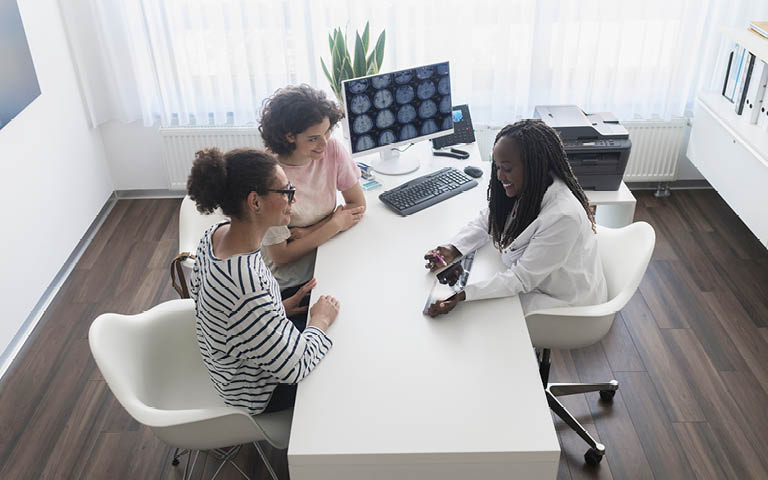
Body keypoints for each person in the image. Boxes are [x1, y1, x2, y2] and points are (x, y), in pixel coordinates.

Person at [187, 147, 339, 415]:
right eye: (286, 192)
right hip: (256, 391)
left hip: (230, 363)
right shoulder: (245, 286)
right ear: (255, 202)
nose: (294, 198)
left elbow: (218, 308)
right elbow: (296, 367)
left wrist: (275, 310)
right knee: (341, 342)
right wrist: (321, 321)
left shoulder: (216, 233)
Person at [424, 119, 607, 316]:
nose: (500, 176)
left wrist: (461, 294)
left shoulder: (563, 216)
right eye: (497, 167)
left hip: (566, 302)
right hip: (536, 280)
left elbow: (521, 278)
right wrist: (454, 249)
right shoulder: (527, 186)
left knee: (479, 317)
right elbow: (488, 221)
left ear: (534, 166)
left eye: (507, 168)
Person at [258, 84, 366, 328]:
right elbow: (282, 255)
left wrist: (311, 231)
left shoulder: (332, 150)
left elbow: (357, 204)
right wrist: (335, 224)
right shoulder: (268, 177)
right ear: (289, 136)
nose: (324, 143)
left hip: (332, 254)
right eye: (314, 138)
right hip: (294, 282)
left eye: (328, 132)